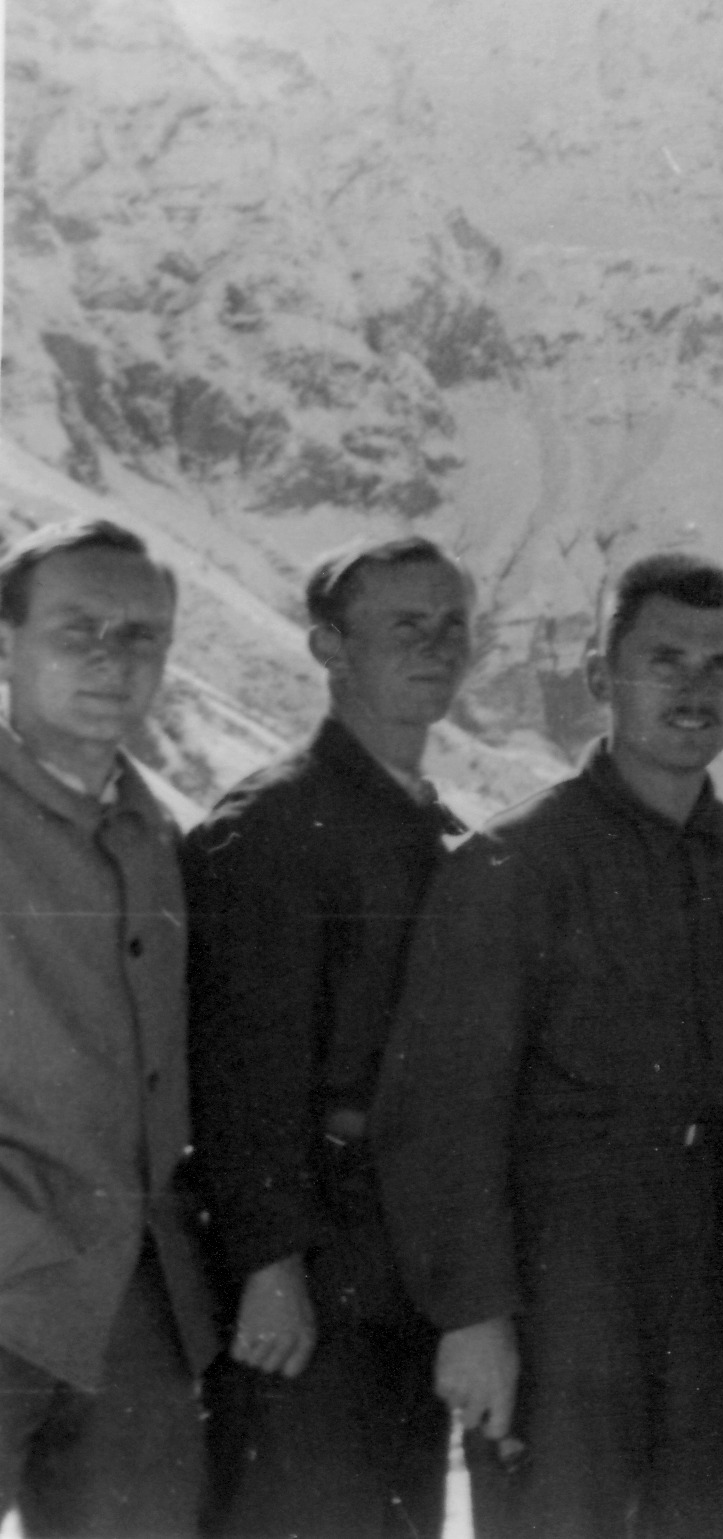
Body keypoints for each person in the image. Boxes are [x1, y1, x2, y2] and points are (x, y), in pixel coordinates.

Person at [372, 553, 723, 1539]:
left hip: (709, 1280)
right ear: (601, 675)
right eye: (664, 659)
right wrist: (474, 1316)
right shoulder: (516, 863)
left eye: (720, 665)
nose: (694, 688)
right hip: (563, 1281)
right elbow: (441, 1112)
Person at [184, 538, 473, 1539]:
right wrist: (269, 1263)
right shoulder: (273, 825)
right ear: (329, 646)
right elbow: (239, 1065)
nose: (438, 646)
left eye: (453, 624)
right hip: (308, 1274)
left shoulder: (428, 821)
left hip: (403, 1266)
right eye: (406, 624)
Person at [0, 518, 218, 1537]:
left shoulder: (158, 832)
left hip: (135, 1307)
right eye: (77, 628)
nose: (111, 658)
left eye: (140, 635)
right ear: (7, 641)